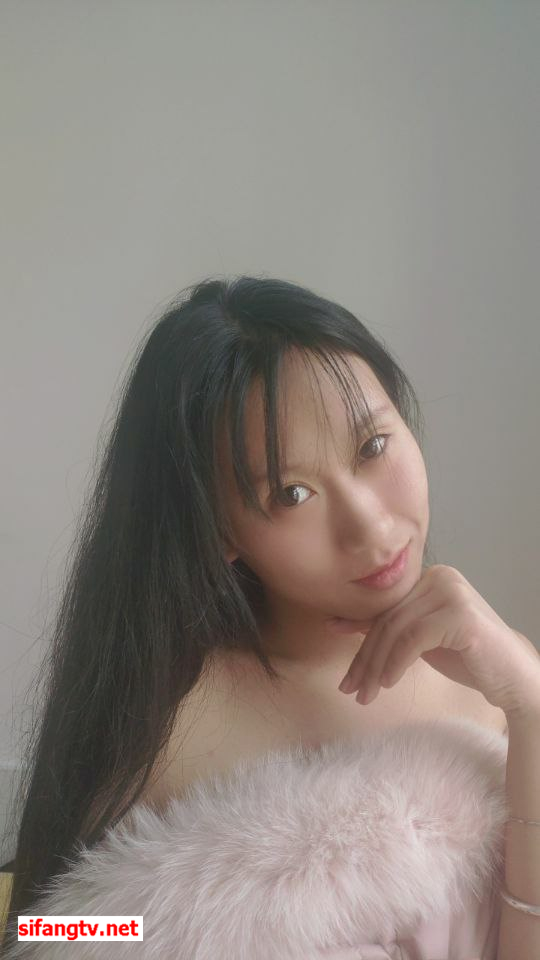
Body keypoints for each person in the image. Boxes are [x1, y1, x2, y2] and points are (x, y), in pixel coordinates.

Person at [2, 276, 539, 958]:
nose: (370, 527)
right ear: (221, 530)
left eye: (373, 447)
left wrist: (531, 703)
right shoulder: (164, 729)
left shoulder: (496, 673)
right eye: (291, 493)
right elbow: (48, 932)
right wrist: (175, 928)